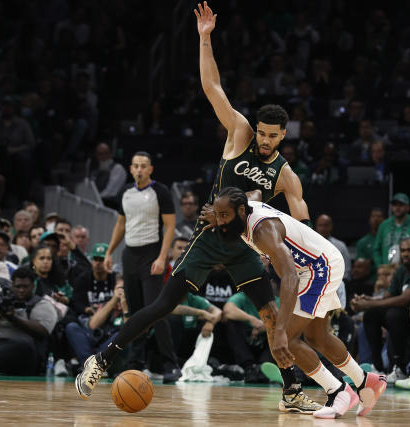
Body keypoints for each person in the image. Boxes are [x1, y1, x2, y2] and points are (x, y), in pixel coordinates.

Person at [76, 3, 319, 414]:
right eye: (262, 133)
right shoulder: (240, 133)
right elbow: (213, 87)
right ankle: (100, 360)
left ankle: (291, 390)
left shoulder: (284, 175)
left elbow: (302, 215)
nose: (265, 141)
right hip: (208, 237)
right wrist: (205, 37)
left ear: (283, 137)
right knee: (160, 308)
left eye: (273, 137)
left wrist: (311, 251)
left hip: (245, 246)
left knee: (273, 316)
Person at [212, 188, 387, 417]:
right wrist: (217, 212)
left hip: (316, 268)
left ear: (241, 211)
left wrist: (282, 329)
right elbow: (255, 192)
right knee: (317, 338)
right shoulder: (245, 206)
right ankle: (366, 381)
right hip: (320, 261)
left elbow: (290, 278)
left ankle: (338, 390)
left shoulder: (264, 231)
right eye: (217, 214)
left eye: (224, 215)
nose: (219, 221)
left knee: (287, 340)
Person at [101, 151, 179, 382]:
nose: (139, 170)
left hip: (151, 254)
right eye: (136, 166)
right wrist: (108, 252)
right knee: (134, 314)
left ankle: (170, 364)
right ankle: (135, 363)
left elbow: (170, 227)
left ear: (150, 169)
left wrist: (162, 257)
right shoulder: (125, 192)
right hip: (130, 255)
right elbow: (121, 224)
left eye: (144, 166)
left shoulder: (160, 192)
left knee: (156, 311)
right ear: (130, 168)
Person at [351, 237, 410, 382]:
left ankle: (399, 367)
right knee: (371, 314)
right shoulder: (402, 269)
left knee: (394, 314)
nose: (405, 254)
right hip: (403, 318)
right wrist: (366, 300)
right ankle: (377, 367)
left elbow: (405, 299)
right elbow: (388, 296)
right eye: (403, 250)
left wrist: (369, 304)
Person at [373, 193, 410, 266]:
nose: (397, 207)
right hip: (387, 269)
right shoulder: (384, 225)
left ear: (408, 207)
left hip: (407, 269)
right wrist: (379, 265)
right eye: (394, 205)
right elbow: (376, 249)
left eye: (401, 205)